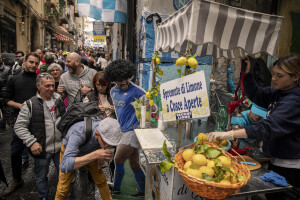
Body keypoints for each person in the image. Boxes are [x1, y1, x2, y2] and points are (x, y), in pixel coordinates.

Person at [207, 55, 300, 200]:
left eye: (279, 76)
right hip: (277, 160)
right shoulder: (279, 93)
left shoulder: (294, 102)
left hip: (291, 168)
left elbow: (266, 128)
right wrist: (248, 73)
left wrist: (230, 134)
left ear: (295, 77)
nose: (274, 78)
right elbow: (256, 94)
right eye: (274, 74)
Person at [14, 73, 65, 200]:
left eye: (53, 85)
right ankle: (44, 197)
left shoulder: (59, 100)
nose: (51, 89)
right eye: (47, 86)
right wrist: (31, 142)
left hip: (60, 148)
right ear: (38, 86)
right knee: (41, 177)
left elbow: (65, 121)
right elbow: (19, 126)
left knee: (64, 175)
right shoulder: (30, 104)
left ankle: (65, 195)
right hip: (41, 149)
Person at [104, 59, 149, 197]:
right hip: (122, 130)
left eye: (126, 78)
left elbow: (152, 107)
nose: (124, 82)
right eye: (119, 80)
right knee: (134, 164)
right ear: (113, 80)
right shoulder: (113, 91)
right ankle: (144, 190)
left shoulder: (138, 91)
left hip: (133, 131)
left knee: (118, 159)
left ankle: (116, 188)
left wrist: (149, 107)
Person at [55, 118, 122, 200]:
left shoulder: (106, 128)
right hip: (70, 151)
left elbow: (106, 143)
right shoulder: (79, 132)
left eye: (112, 145)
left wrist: (102, 152)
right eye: (106, 144)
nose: (109, 147)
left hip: (90, 150)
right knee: (63, 189)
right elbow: (64, 165)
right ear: (97, 134)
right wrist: (95, 155)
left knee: (101, 180)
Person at [2, 52, 40, 196]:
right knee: (15, 153)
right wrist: (21, 106)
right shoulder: (14, 79)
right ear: (24, 62)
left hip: (37, 122)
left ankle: (40, 180)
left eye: (36, 63)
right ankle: (17, 179)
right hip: (20, 123)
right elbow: (6, 100)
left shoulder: (39, 80)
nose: (33, 65)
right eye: (31, 62)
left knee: (38, 153)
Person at [0, 54, 12, 130]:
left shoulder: (7, 69)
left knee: (4, 109)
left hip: (3, 93)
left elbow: (9, 83)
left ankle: (2, 125)